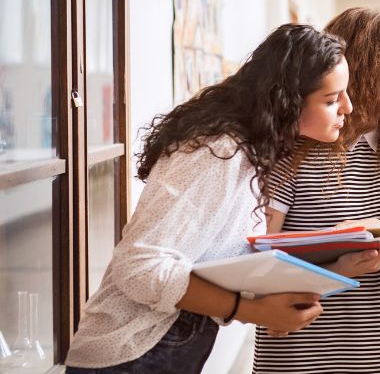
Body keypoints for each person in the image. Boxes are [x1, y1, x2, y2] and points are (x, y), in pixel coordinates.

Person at [65, 24, 351, 373]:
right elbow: (138, 267)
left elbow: (215, 255)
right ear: (287, 100)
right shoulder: (219, 150)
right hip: (130, 353)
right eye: (332, 98)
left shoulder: (253, 152)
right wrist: (252, 310)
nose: (346, 108)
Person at [254, 8, 380, 374]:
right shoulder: (291, 153)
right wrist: (336, 266)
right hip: (298, 361)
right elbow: (255, 268)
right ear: (360, 68)